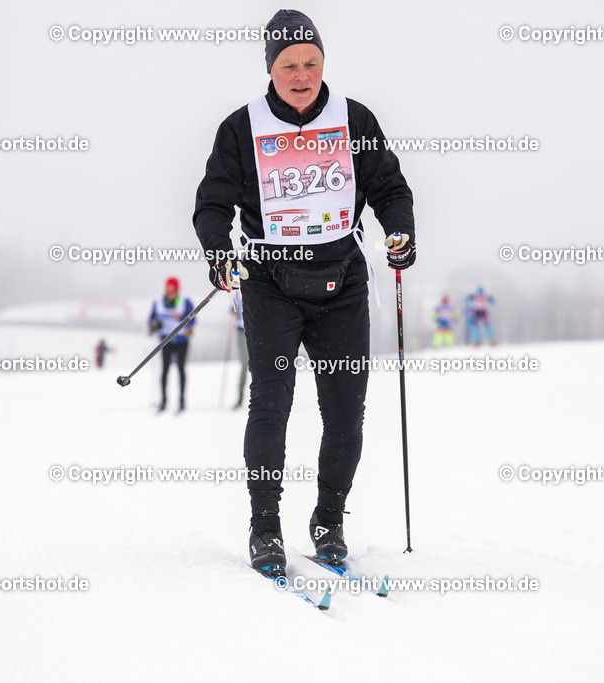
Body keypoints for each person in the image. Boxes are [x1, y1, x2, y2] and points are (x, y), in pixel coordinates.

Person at [192, 9, 415, 578]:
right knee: (272, 406)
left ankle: (328, 521)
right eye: (288, 64)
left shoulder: (354, 119)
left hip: (342, 282)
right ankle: (265, 529)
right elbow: (213, 202)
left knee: (345, 415)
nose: (300, 74)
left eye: (311, 62)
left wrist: (400, 231)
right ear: (270, 68)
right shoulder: (240, 129)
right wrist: (219, 249)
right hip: (270, 283)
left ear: (323, 63)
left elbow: (388, 186)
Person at [148, 277, 196, 413]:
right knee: (165, 370)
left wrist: (180, 318)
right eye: (168, 291)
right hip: (165, 340)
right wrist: (154, 325)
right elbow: (152, 319)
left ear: (177, 290)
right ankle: (163, 401)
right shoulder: (158, 301)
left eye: (173, 291)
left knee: (181, 369)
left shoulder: (185, 301)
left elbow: (193, 320)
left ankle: (181, 400)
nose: (171, 293)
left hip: (182, 340)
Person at [232, 296, 249, 409]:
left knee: (259, 365)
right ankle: (240, 397)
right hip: (241, 331)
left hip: (255, 330)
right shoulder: (237, 294)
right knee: (244, 364)